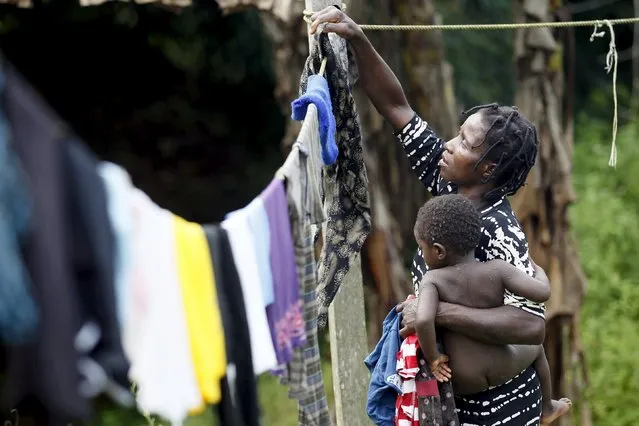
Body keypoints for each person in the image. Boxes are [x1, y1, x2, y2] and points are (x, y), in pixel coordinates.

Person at [309, 6, 560, 425]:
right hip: (450, 395)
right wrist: (356, 37)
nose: (448, 143)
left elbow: (531, 329)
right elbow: (396, 107)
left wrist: (437, 313)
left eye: (464, 141)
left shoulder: (498, 231)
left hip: (501, 406)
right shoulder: (452, 186)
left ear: (488, 169)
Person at [413, 194, 571, 424]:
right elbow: (541, 292)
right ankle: (547, 408)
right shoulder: (498, 269)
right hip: (502, 366)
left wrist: (434, 359)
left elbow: (423, 321)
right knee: (536, 349)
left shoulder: (432, 280)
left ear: (438, 251)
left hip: (462, 377)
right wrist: (540, 273)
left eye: (421, 248)